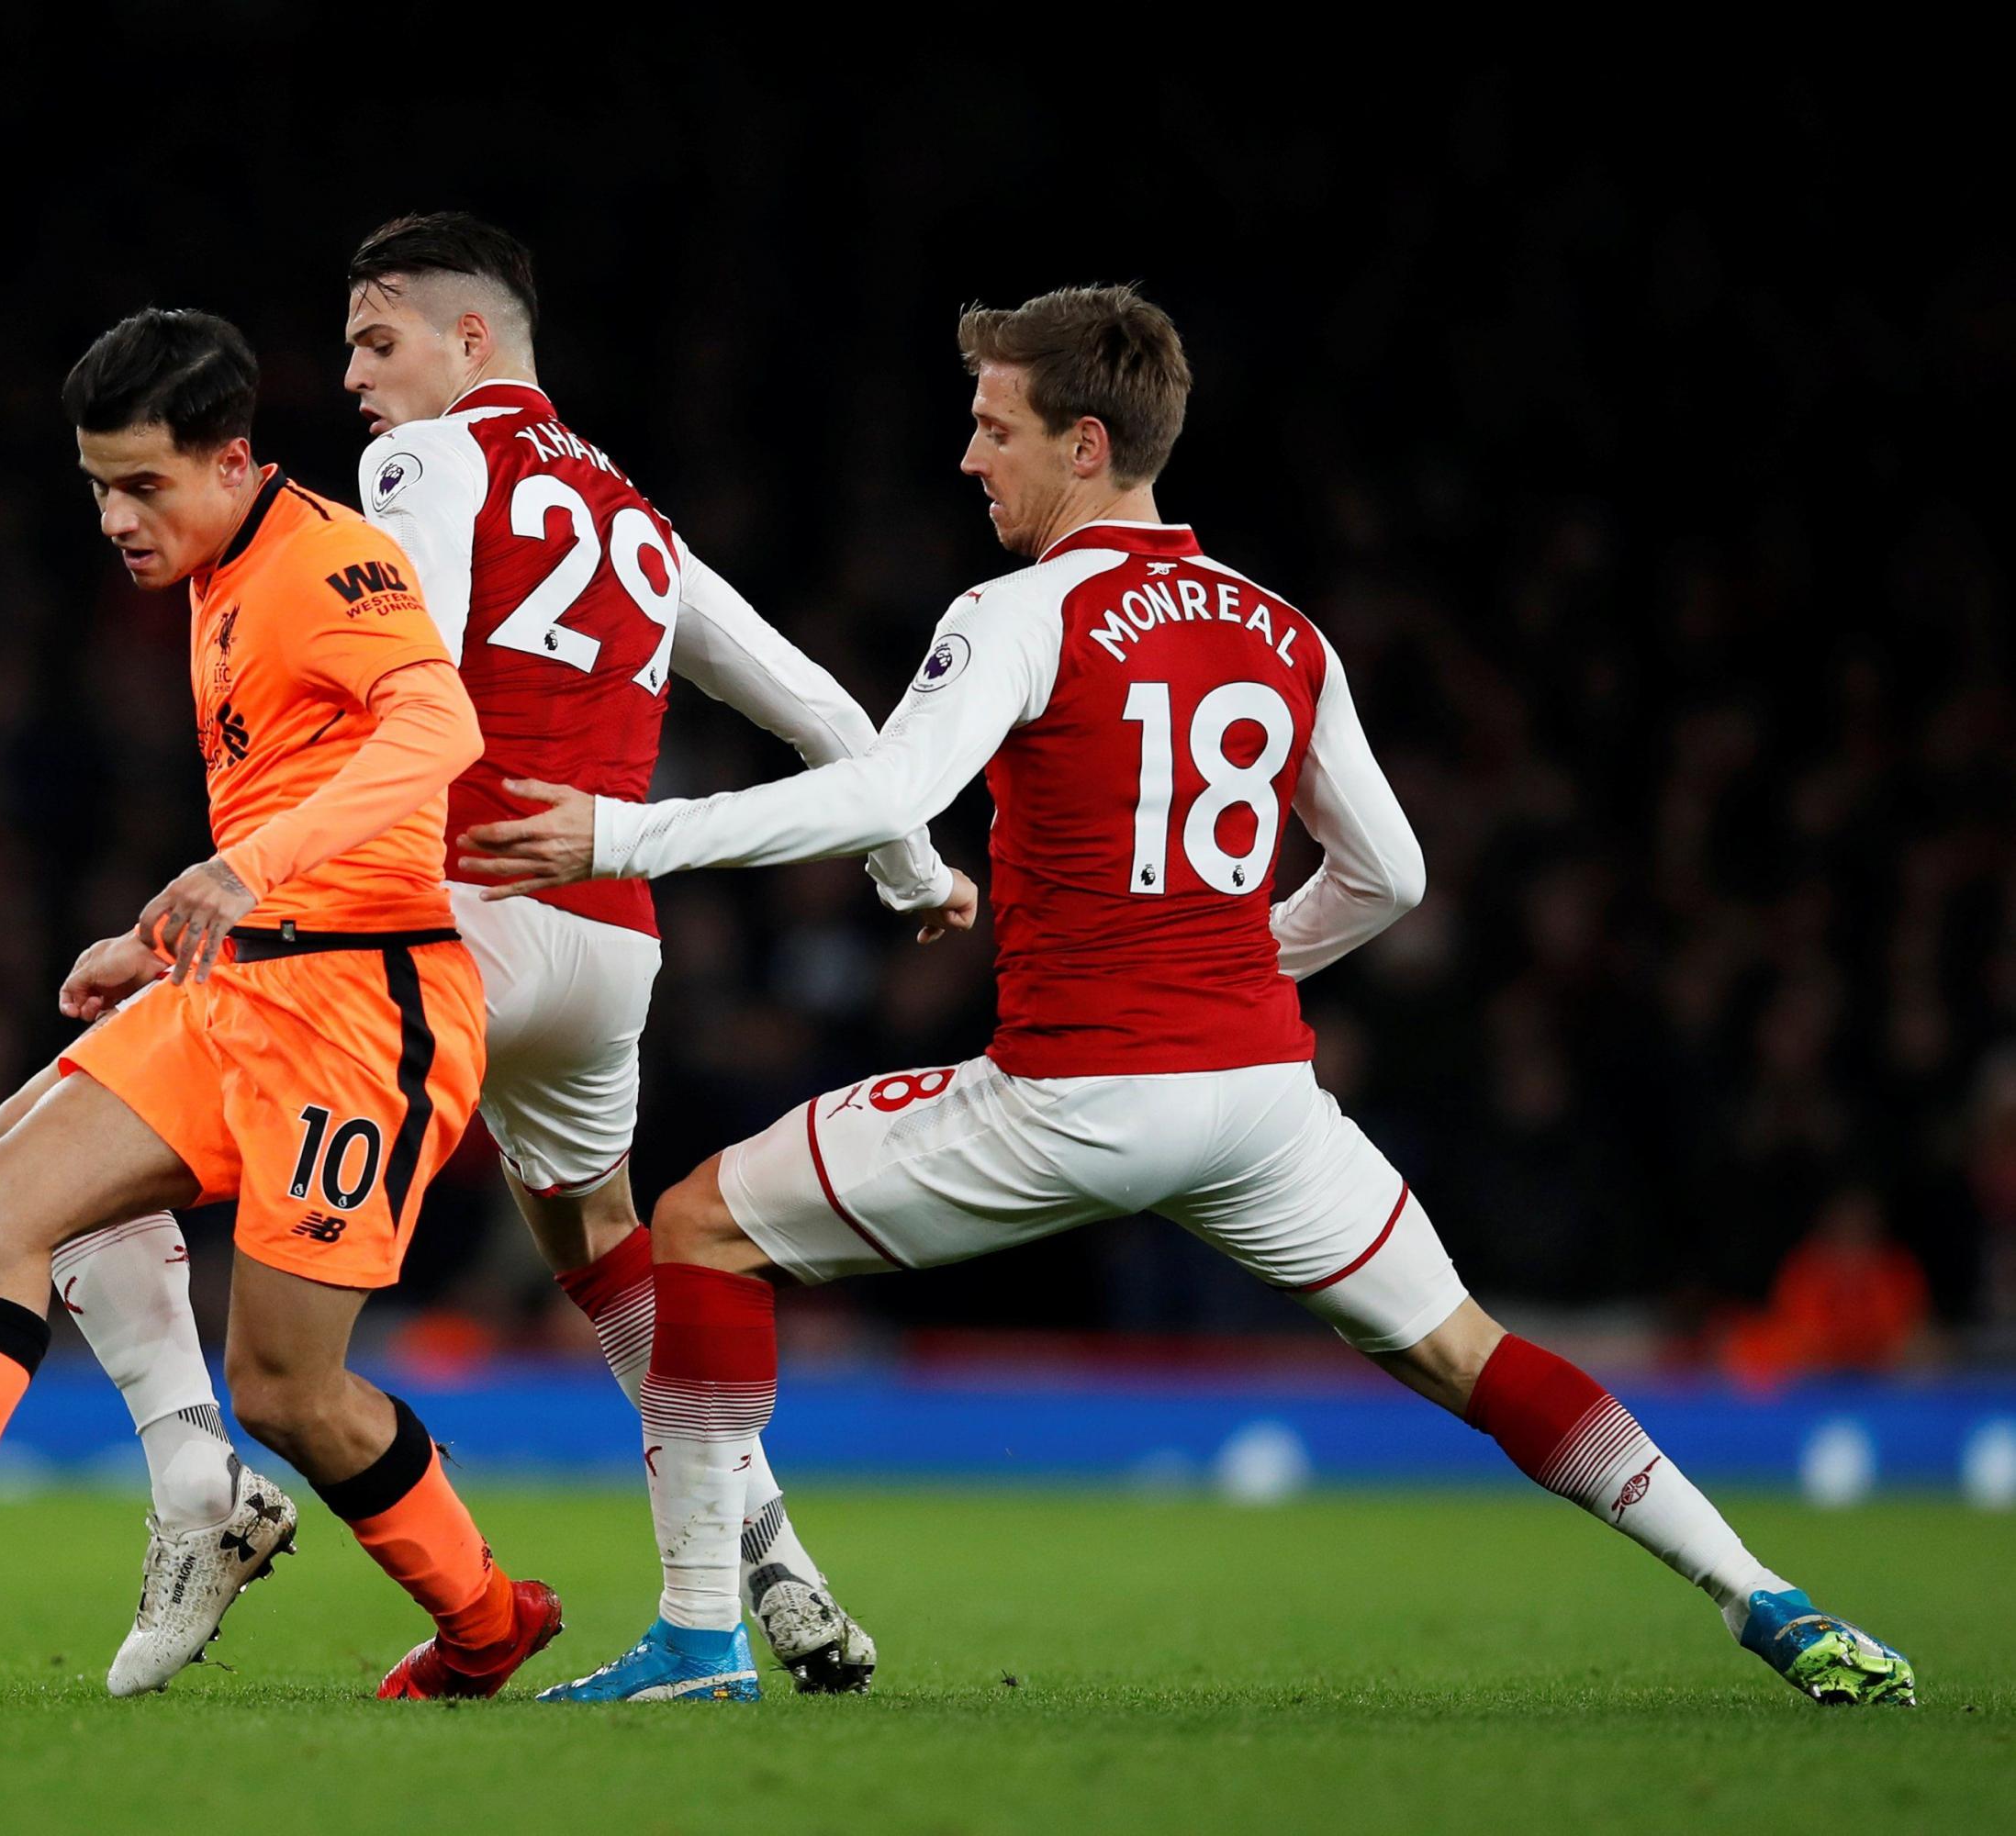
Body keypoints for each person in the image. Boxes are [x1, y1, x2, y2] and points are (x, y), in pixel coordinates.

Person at [466, 283, 1918, 1709]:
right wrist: (1235, 966)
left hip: (1074, 1097)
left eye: (995, 429)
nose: (969, 458)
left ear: (1085, 445)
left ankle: (701, 1640)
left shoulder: (1021, 613)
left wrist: (622, 834)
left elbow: (889, 793)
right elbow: (1391, 875)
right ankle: (1768, 1600)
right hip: (1260, 1106)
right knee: (1463, 1351)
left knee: (700, 1226)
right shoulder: (1281, 629)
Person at [56, 212, 970, 1697]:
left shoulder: (423, 464)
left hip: (452, 916)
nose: (354, 379)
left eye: (377, 342)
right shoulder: (632, 516)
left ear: (469, 340)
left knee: (95, 1144)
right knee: (607, 1257)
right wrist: (912, 869)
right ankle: (770, 1567)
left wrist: (239, 888)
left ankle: (195, 1477)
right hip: (608, 947)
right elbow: (815, 703)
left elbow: (413, 681)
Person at [0, 308, 563, 1702]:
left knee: (289, 1390)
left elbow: (438, 728)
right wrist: (161, 931)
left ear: (232, 461)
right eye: (98, 486)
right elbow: (295, 778)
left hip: (365, 1010)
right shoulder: (214, 566)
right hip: (246, 977)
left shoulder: (329, 561)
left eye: (142, 485)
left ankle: (486, 1620)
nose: (117, 518)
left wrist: (244, 872)